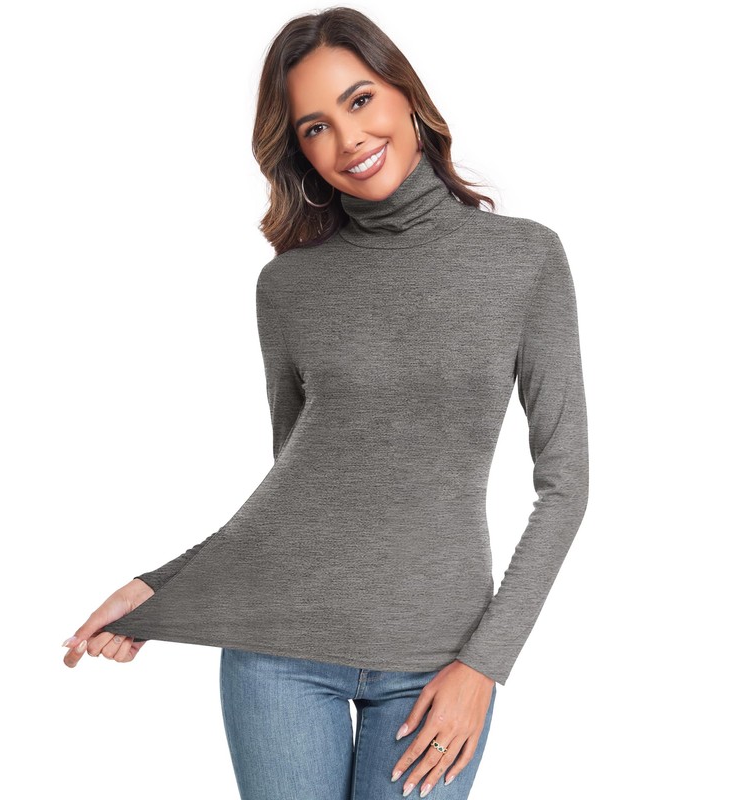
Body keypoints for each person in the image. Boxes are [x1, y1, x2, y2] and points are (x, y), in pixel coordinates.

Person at [62, 8, 589, 799]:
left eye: (360, 100)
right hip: (278, 658)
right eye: (315, 126)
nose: (348, 138)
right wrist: (160, 585)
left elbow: (566, 485)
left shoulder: (524, 258)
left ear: (406, 96)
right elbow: (304, 491)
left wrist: (485, 665)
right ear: (299, 150)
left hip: (437, 663)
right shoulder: (289, 287)